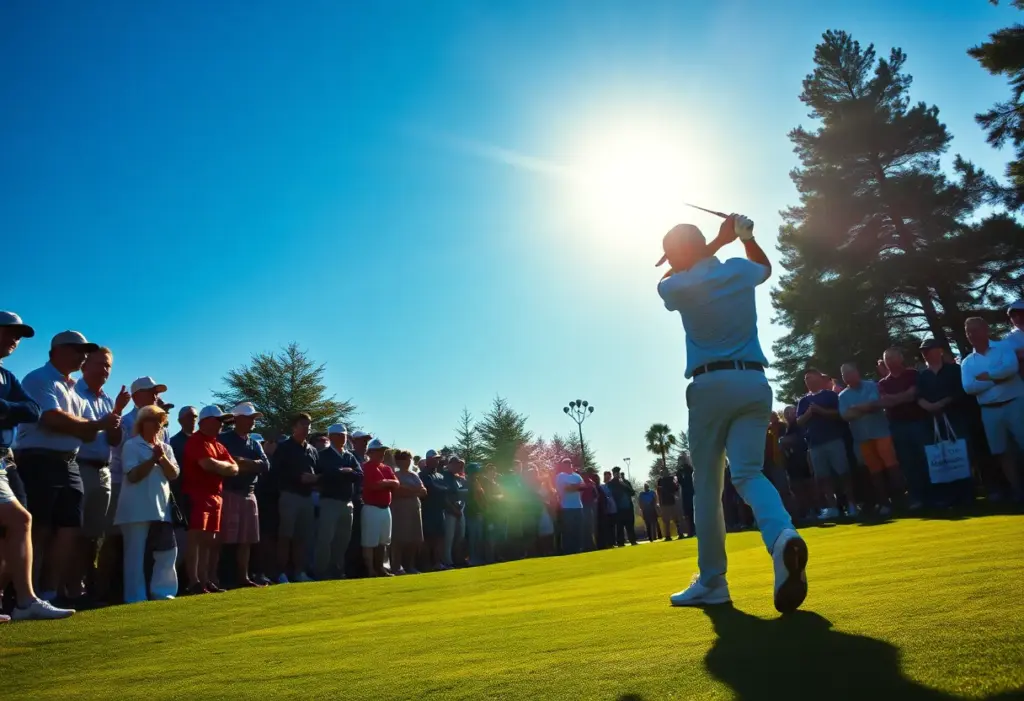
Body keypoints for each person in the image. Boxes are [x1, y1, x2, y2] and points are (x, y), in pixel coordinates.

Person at [656, 213, 806, 612]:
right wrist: (744, 237)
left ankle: (712, 582)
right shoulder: (740, 270)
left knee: (706, 487)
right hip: (754, 384)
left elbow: (682, 271)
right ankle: (782, 538)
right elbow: (764, 267)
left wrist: (721, 241)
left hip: (710, 387)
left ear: (678, 257)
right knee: (748, 474)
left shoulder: (673, 284)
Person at [14, 330, 118, 605]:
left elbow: (83, 433)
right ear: (55, 352)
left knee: (69, 530)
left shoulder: (71, 388)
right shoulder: (38, 378)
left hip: (68, 462)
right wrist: (95, 425)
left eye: (84, 350)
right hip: (39, 459)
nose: (82, 354)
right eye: (76, 349)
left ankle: (50, 592)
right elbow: (52, 419)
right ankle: (28, 594)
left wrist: (87, 426)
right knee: (41, 529)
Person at [0, 312, 74, 621]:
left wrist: (4, 408)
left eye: (19, 335)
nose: (15, 339)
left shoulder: (6, 376)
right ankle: (26, 601)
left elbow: (31, 409)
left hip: (5, 458)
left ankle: (17, 600)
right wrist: (11, 410)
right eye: (10, 332)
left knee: (16, 526)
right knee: (21, 520)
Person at [72, 349, 130, 601]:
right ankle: (66, 585)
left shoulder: (107, 399)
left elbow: (115, 440)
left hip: (102, 470)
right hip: (79, 465)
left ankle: (84, 584)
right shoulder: (73, 391)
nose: (104, 370)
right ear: (84, 365)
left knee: (95, 533)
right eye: (100, 364)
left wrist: (116, 411)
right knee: (73, 530)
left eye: (108, 366)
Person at [114, 405, 180, 603]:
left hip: (162, 508)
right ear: (143, 423)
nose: (159, 425)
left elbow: (174, 474)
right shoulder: (131, 445)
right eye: (154, 420)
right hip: (135, 510)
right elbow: (133, 475)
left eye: (161, 421)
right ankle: (135, 597)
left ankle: (163, 591)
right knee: (135, 555)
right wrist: (153, 459)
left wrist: (161, 458)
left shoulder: (166, 448)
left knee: (167, 551)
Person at [961, 318, 1024, 501]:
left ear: (985, 329)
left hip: (1015, 403)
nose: (971, 334)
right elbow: (969, 388)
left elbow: (1011, 369)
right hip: (989, 410)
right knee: (1002, 451)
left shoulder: (1003, 347)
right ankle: (1017, 490)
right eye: (968, 331)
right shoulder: (967, 362)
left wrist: (985, 378)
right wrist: (997, 378)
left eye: (975, 330)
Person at [181, 405, 238, 594]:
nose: (222, 425)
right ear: (206, 421)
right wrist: (223, 466)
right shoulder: (196, 440)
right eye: (218, 420)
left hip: (215, 496)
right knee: (196, 538)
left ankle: (205, 580)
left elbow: (234, 468)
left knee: (209, 540)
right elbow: (206, 465)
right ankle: (193, 581)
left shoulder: (218, 444)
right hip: (197, 494)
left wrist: (218, 466)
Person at [916, 340, 976, 506]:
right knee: (940, 458)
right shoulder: (922, 375)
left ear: (939, 350)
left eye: (929, 349)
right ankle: (947, 495)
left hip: (955, 417)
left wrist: (941, 403)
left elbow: (960, 391)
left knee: (961, 455)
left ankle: (967, 494)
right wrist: (929, 406)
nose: (926, 353)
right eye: (923, 350)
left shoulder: (954, 370)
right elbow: (918, 396)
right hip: (933, 422)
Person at [217, 403, 270, 587]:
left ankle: (243, 577)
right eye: (249, 418)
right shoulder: (223, 439)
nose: (252, 422)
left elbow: (265, 465)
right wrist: (250, 464)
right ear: (237, 419)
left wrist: (244, 462)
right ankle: (219, 577)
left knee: (246, 539)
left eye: (253, 419)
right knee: (225, 538)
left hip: (249, 493)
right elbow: (227, 464)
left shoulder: (254, 442)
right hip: (229, 492)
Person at [839, 363, 902, 515]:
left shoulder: (872, 385)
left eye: (850, 372)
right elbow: (846, 415)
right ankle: (884, 503)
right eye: (844, 375)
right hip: (862, 438)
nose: (848, 376)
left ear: (857, 372)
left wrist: (856, 407)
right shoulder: (843, 396)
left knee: (892, 466)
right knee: (875, 471)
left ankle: (901, 500)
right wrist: (867, 407)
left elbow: (879, 403)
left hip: (881, 432)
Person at [797, 369, 858, 519]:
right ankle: (832, 507)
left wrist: (821, 411)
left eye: (811, 378)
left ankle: (852, 505)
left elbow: (839, 414)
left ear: (819, 378)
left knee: (843, 473)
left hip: (834, 439)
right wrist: (809, 413)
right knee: (823, 477)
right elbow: (799, 421)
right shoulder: (803, 401)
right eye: (806, 379)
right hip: (815, 444)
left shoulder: (830, 395)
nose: (809, 381)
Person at [878, 348, 931, 509]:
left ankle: (934, 494)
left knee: (925, 459)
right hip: (898, 426)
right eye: (887, 359)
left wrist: (896, 398)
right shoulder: (883, 383)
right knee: (908, 463)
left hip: (919, 422)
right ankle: (916, 497)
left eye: (893, 357)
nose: (890, 361)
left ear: (901, 358)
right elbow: (886, 402)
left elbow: (913, 394)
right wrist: (904, 396)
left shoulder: (913, 374)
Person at [272, 413, 318, 583]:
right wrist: (298, 478)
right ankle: (281, 573)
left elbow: (317, 472)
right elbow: (276, 472)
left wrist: (315, 478)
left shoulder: (312, 450)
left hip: (307, 498)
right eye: (303, 425)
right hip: (289, 496)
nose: (307, 428)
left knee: (302, 538)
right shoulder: (284, 447)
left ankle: (299, 573)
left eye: (309, 425)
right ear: (294, 427)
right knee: (285, 537)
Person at [314, 424, 361, 580]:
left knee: (342, 539)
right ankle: (322, 571)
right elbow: (323, 475)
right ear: (332, 436)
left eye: (344, 435)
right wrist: (341, 472)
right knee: (325, 538)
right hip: (329, 501)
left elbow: (359, 474)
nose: (343, 437)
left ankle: (337, 570)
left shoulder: (349, 456)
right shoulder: (324, 455)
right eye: (339, 435)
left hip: (347, 502)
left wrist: (347, 472)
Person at [360, 438, 398, 577]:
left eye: (382, 451)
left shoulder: (386, 468)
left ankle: (380, 567)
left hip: (385, 507)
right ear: (370, 452)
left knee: (383, 541)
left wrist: (385, 482)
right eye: (378, 451)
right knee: (369, 541)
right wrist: (387, 483)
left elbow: (396, 483)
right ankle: (370, 569)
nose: (381, 454)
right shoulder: (366, 467)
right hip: (371, 507)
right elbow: (373, 486)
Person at [390, 450, 425, 575]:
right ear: (398, 461)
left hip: (414, 510)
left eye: (409, 459)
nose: (409, 461)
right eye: (405, 459)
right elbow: (398, 491)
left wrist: (410, 490)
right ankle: (396, 566)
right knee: (399, 539)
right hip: (400, 510)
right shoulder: (395, 474)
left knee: (414, 539)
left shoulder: (414, 475)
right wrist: (414, 491)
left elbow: (423, 491)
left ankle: (410, 566)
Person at [420, 449, 448, 571]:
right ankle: (427, 564)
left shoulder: (440, 475)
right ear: (428, 460)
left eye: (437, 459)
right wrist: (442, 489)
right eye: (434, 459)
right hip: (427, 511)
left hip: (439, 510)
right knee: (428, 539)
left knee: (439, 538)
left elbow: (445, 489)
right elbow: (432, 489)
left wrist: (441, 489)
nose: (436, 461)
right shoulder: (423, 474)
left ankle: (438, 562)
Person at [554, 458, 585, 555]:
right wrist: (576, 487)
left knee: (578, 529)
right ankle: (568, 550)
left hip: (578, 506)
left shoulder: (577, 476)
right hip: (566, 507)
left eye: (569, 464)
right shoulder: (560, 476)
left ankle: (578, 549)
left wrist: (573, 487)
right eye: (565, 464)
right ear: (563, 466)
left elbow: (583, 487)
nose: (568, 465)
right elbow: (567, 489)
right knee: (568, 530)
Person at [442, 456, 468, 567]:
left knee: (460, 536)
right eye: (457, 464)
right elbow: (445, 496)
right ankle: (448, 561)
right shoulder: (445, 476)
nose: (459, 466)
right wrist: (453, 509)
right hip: (449, 511)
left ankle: (458, 559)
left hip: (460, 509)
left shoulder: (458, 478)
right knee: (449, 538)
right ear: (450, 464)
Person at [609, 467, 637, 546]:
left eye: (618, 473)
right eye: (615, 473)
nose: (617, 474)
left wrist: (624, 485)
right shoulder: (611, 484)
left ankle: (633, 540)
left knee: (630, 525)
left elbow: (632, 493)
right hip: (618, 508)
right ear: (613, 474)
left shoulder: (625, 482)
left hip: (628, 507)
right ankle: (620, 542)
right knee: (619, 526)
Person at [656, 471, 683, 541]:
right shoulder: (660, 481)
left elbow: (676, 488)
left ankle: (680, 533)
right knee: (666, 521)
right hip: (664, 503)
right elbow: (658, 491)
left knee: (676, 519)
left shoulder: (671, 479)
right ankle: (668, 536)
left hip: (671, 502)